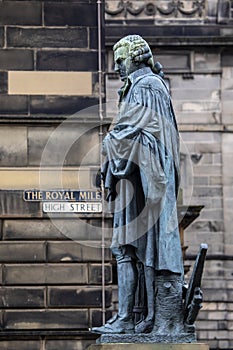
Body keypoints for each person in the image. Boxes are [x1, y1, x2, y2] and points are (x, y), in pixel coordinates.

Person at [92, 35, 184, 335]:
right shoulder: (136, 86)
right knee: (125, 248)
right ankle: (131, 318)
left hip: (145, 182)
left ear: (136, 57)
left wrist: (110, 144)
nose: (118, 66)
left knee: (128, 248)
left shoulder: (147, 85)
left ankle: (132, 318)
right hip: (132, 179)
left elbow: (138, 132)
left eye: (121, 60)